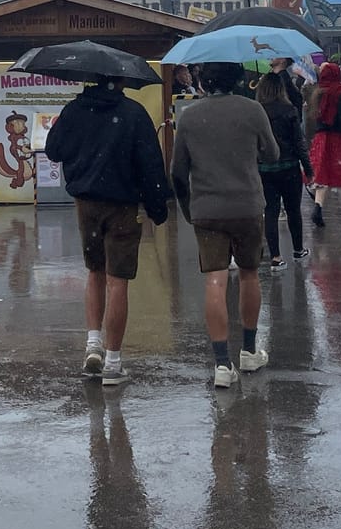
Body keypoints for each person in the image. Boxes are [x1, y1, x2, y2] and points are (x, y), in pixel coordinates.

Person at [43, 77, 172, 386]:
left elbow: (53, 150)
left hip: (86, 204)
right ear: (120, 80)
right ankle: (113, 362)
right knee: (118, 282)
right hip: (123, 206)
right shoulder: (134, 113)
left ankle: (92, 344)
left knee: (94, 272)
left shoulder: (74, 110)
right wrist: (158, 208)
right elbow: (151, 164)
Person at [170, 61, 279, 389]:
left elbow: (177, 170)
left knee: (215, 281)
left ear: (204, 81)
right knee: (249, 274)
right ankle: (248, 350)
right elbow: (272, 154)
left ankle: (221, 364)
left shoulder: (189, 116)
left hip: (206, 209)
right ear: (238, 79)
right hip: (247, 205)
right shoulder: (253, 109)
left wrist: (189, 208)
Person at [255, 72, 311, 268]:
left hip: (264, 168)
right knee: (293, 210)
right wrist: (308, 168)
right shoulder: (289, 110)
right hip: (289, 167)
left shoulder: (257, 111)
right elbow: (298, 142)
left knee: (270, 211)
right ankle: (297, 250)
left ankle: (276, 257)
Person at [307, 62, 341, 226]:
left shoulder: (317, 92)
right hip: (337, 138)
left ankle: (318, 207)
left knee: (322, 174)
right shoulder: (339, 91)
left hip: (321, 138)